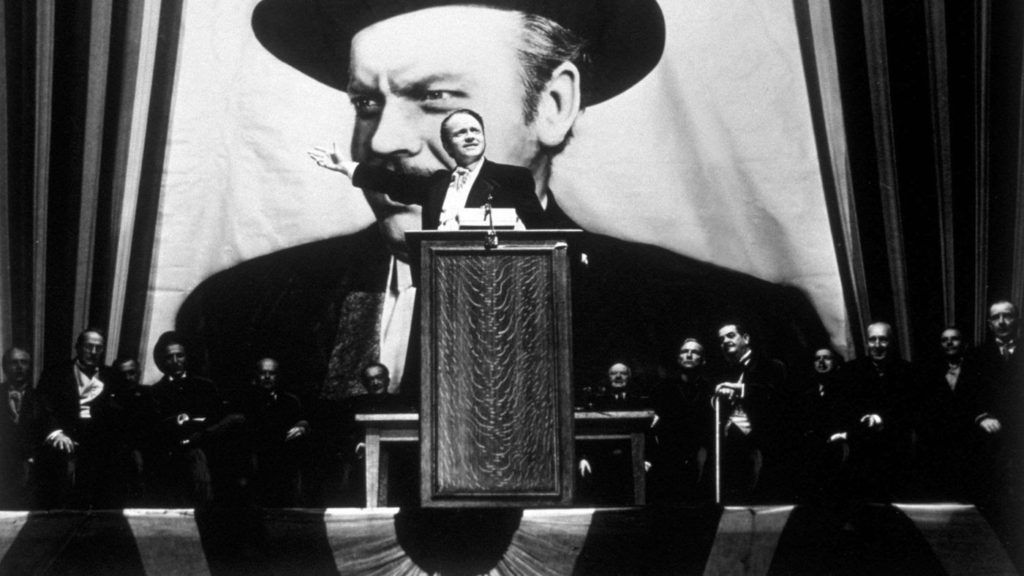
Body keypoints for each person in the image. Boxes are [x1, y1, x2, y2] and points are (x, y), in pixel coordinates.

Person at [177, 0, 829, 420]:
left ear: (553, 106)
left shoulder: (729, 320)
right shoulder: (236, 321)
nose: (380, 142)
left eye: (435, 98)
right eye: (367, 103)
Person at [310, 109, 550, 231]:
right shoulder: (437, 183)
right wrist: (346, 167)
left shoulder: (511, 178)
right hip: (439, 285)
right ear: (448, 146)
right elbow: (393, 183)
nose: (470, 137)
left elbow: (543, 232)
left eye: (475, 131)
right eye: (460, 133)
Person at [149, 331, 245, 507]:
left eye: (180, 355)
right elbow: (157, 427)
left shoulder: (205, 386)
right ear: (163, 361)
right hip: (172, 456)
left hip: (207, 451)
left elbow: (217, 419)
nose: (176, 361)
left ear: (186, 357)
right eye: (170, 357)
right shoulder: (155, 392)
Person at [33, 329, 123, 508]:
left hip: (99, 445)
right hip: (64, 441)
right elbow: (43, 407)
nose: (93, 352)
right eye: (89, 346)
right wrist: (56, 433)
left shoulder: (111, 376)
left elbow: (118, 414)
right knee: (61, 496)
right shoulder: (55, 374)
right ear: (78, 347)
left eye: (98, 347)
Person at [827, 322, 916, 501]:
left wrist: (882, 420)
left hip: (894, 446)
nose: (877, 345)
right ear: (866, 342)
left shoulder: (907, 371)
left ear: (891, 342)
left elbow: (911, 409)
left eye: (883, 339)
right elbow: (841, 407)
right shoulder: (850, 371)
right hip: (858, 446)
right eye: (872, 340)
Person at [712, 322, 790, 503]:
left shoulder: (771, 366)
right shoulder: (723, 372)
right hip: (730, 448)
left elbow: (776, 397)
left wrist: (741, 390)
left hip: (762, 446)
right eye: (721, 339)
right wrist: (719, 398)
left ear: (746, 338)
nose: (725, 341)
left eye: (731, 335)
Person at [237, 357, 311, 506]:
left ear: (278, 376)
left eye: (272, 373)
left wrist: (302, 427)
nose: (267, 377)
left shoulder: (290, 401)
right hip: (255, 465)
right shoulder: (245, 401)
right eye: (263, 373)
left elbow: (303, 420)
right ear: (256, 375)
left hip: (283, 466)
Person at [647, 339, 713, 503]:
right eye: (684, 351)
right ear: (678, 359)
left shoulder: (710, 390)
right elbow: (649, 426)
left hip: (702, 455)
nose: (689, 355)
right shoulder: (661, 389)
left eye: (695, 352)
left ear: (703, 360)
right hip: (668, 456)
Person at [0, 347, 35, 508]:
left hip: (30, 468)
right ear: (4, 367)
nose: (19, 367)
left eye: (24, 362)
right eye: (13, 363)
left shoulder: (42, 397)